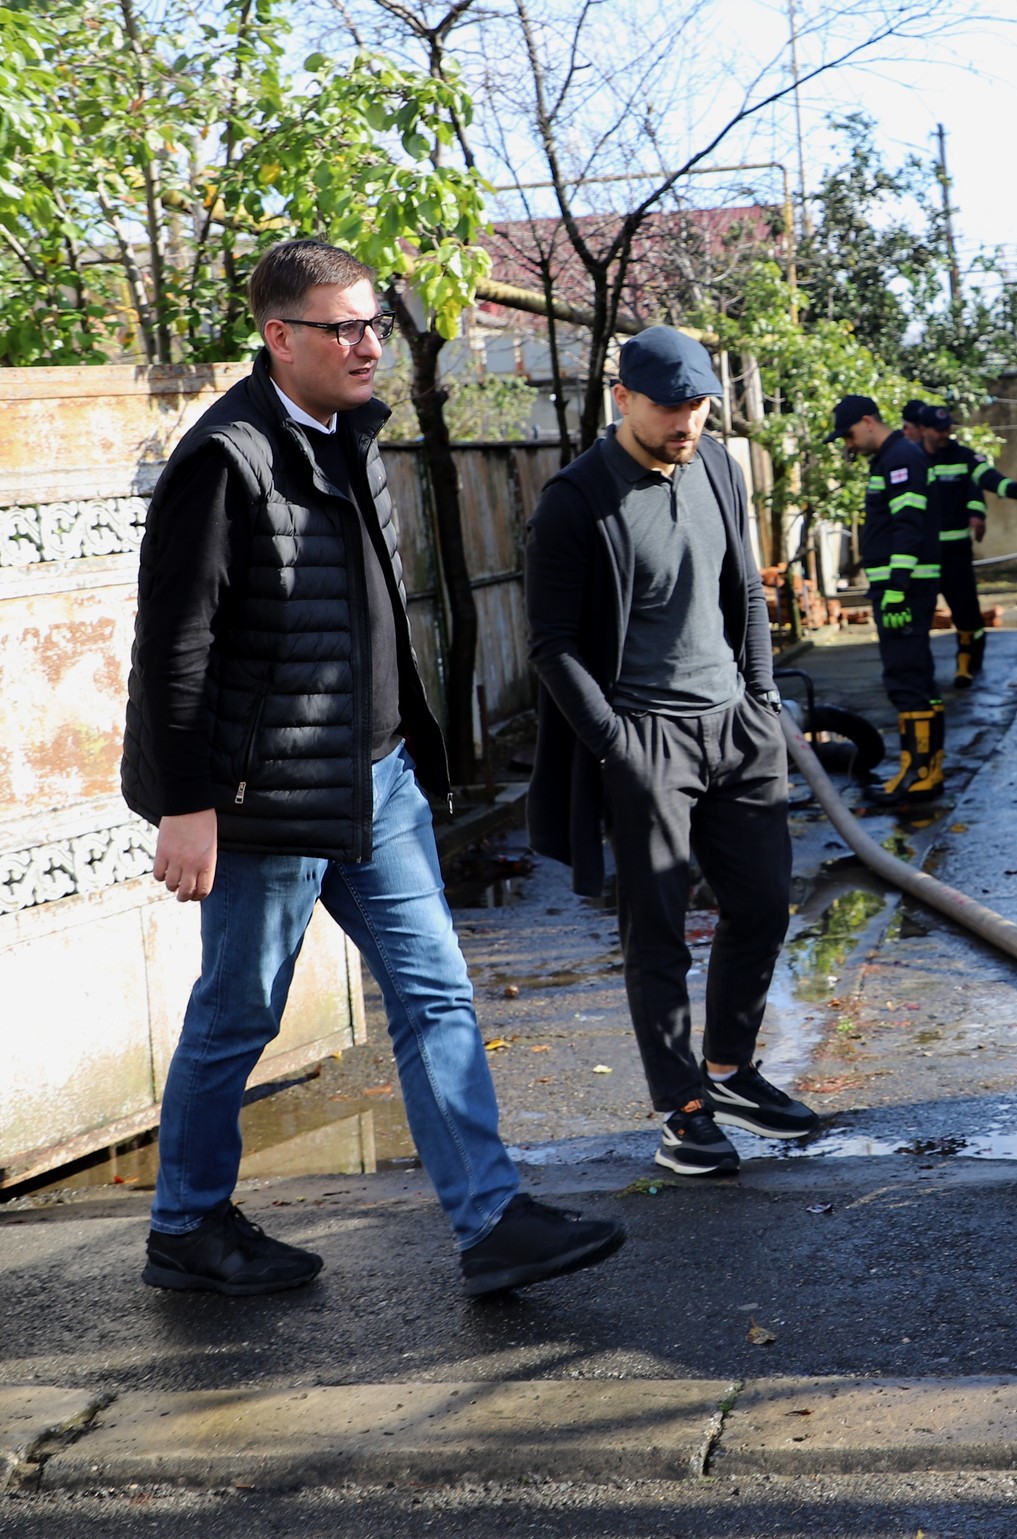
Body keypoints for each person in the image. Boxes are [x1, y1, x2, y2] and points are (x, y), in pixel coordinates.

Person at [122, 239, 626, 1299]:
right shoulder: (224, 462)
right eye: (341, 327)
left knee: (435, 990)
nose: (365, 345)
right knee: (238, 1013)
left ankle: (492, 1221)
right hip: (268, 800)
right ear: (278, 337)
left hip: (377, 781)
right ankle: (188, 1227)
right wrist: (187, 806)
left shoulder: (355, 434)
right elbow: (175, 647)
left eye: (372, 325)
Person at [524, 326, 817, 1180]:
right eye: (668, 406)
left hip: (737, 726)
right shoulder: (577, 500)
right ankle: (680, 1108)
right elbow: (551, 645)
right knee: (657, 932)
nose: (686, 421)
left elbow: (748, 594)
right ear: (623, 399)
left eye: (697, 405)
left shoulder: (719, 465)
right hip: (647, 737)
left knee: (763, 904)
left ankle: (728, 1069)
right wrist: (617, 746)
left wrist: (761, 697)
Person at [830, 395, 944, 802]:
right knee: (917, 677)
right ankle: (924, 769)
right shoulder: (893, 457)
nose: (848, 443)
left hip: (904, 591)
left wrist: (896, 587)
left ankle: (918, 774)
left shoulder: (900, 458)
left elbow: (908, 527)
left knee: (904, 677)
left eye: (849, 433)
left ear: (867, 421)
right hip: (904, 587)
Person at [909, 402, 1017, 687]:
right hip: (921, 556)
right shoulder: (910, 460)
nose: (944, 434)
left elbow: (991, 480)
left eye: (947, 428)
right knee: (919, 617)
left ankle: (969, 665)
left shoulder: (962, 457)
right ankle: (918, 671)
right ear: (923, 430)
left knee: (966, 613)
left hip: (955, 553)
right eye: (938, 430)